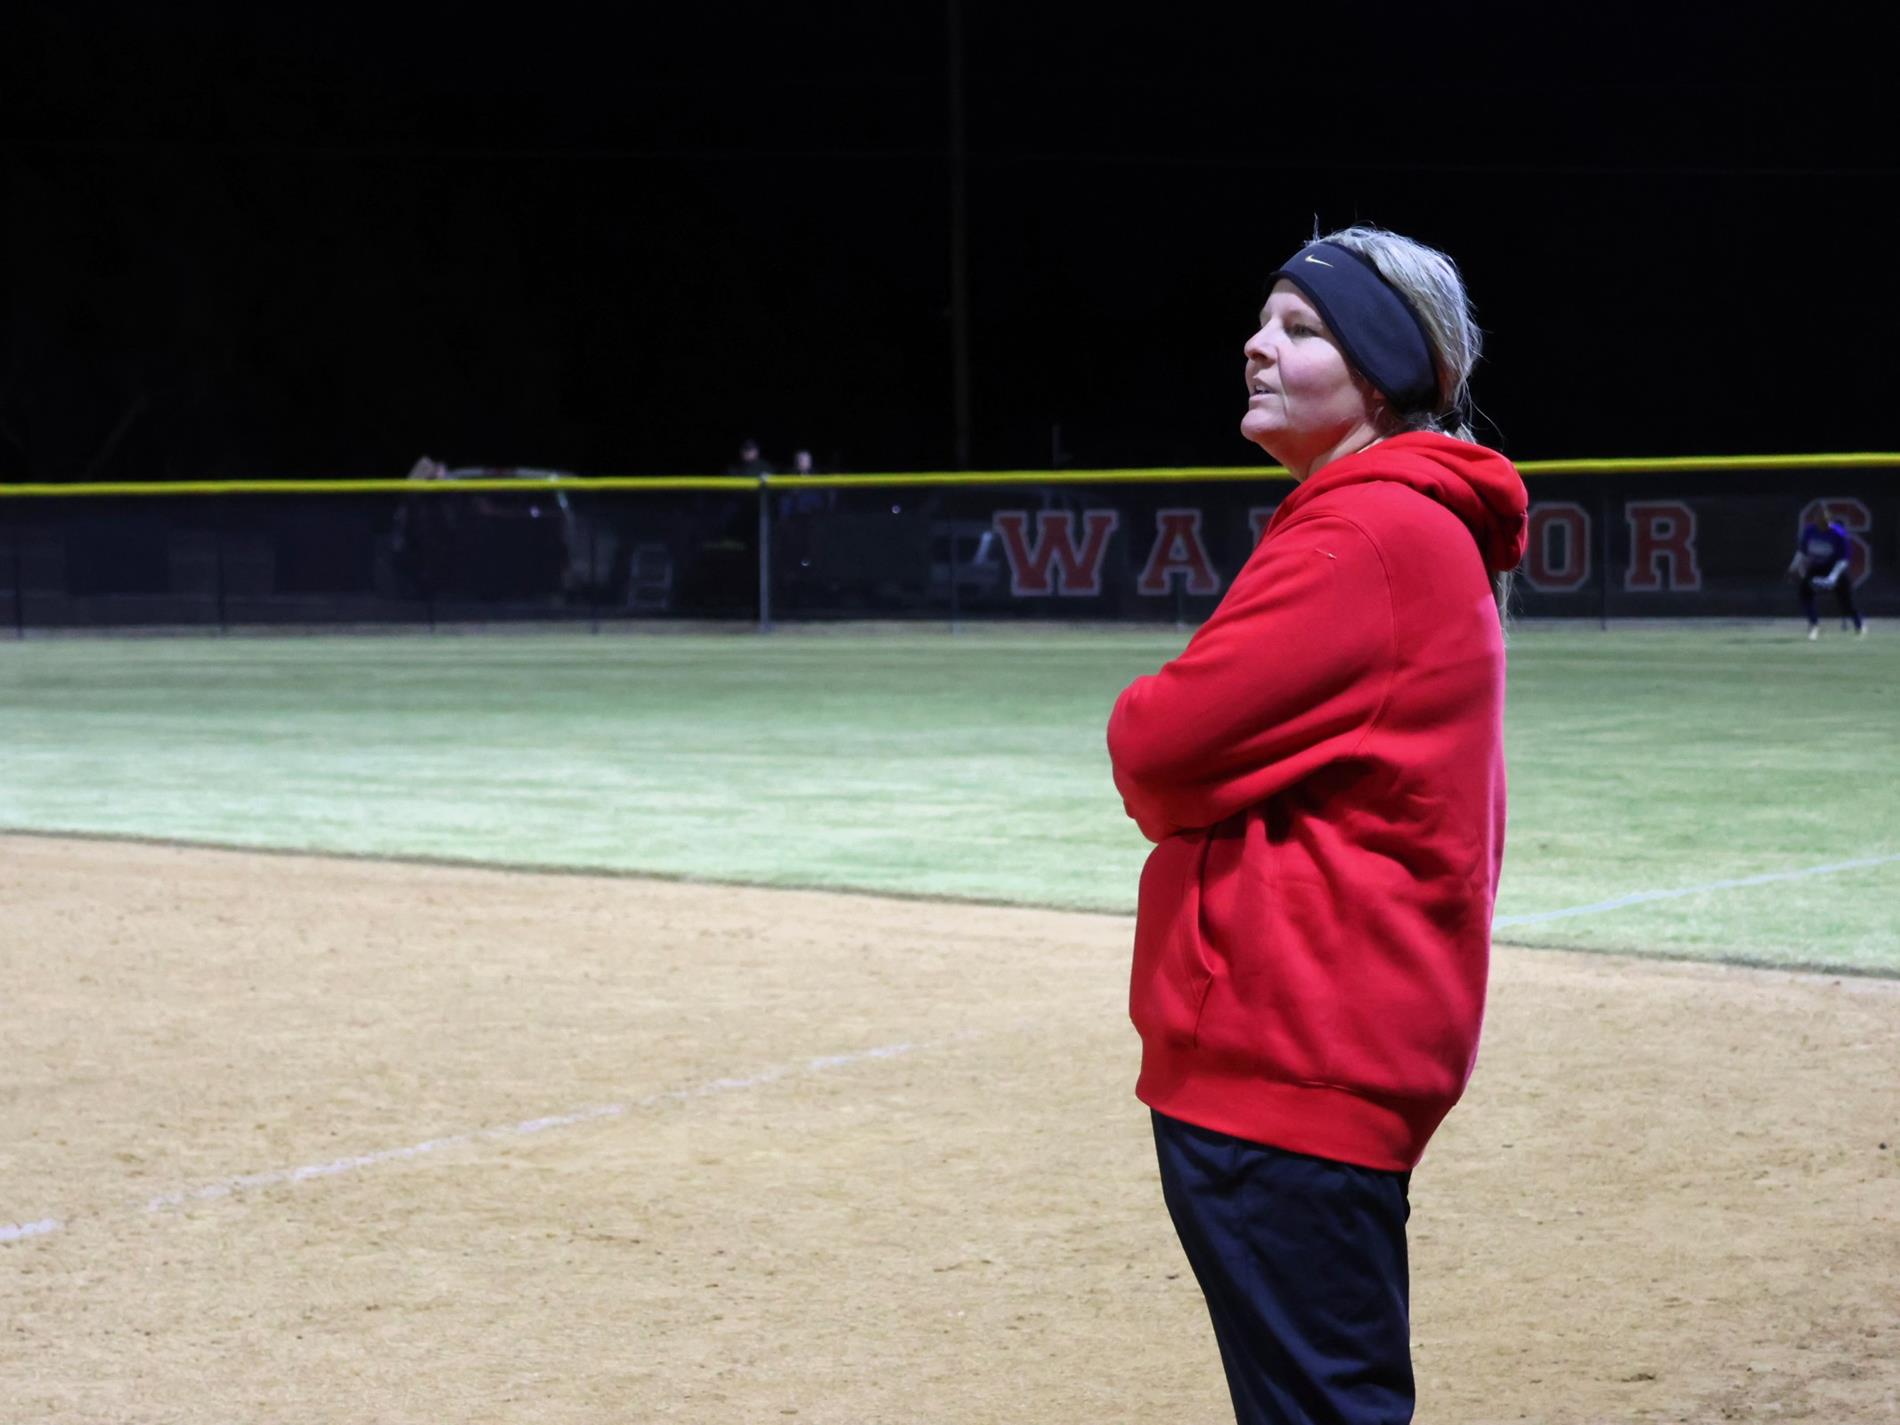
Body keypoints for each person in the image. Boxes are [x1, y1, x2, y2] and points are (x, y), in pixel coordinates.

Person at [1106, 224, 1530, 1425]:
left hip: (1289, 1057)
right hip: (1321, 1050)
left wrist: (1183, 782)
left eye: (1301, 329)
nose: (1256, 345)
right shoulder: (1385, 520)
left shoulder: (1367, 531)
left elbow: (1154, 743)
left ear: (1384, 375)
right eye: (1263, 320)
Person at [1788, 514, 1864, 639]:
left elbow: (1843, 560)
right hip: (1817, 567)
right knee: (1804, 593)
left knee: (1846, 603)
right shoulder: (1810, 531)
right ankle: (1814, 625)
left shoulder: (1839, 534)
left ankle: (1859, 625)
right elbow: (1802, 551)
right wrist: (1793, 567)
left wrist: (1833, 577)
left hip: (1835, 567)